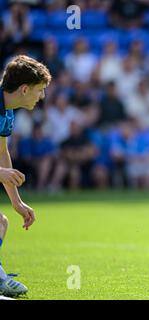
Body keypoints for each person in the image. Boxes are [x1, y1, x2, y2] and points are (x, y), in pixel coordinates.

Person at [0, 55, 51, 297]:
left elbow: (1, 153)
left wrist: (16, 201)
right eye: (40, 90)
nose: (41, 97)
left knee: (1, 222)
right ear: (24, 89)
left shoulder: (6, 112)